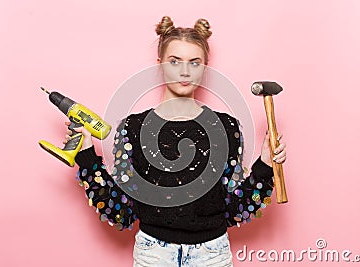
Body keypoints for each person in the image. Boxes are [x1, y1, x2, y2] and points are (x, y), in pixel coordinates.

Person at [64, 16, 287, 267]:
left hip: (212, 256)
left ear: (205, 67)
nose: (184, 71)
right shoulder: (133, 129)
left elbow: (235, 208)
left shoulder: (225, 128)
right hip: (154, 256)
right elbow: (121, 212)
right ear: (159, 65)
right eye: (175, 61)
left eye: (194, 62)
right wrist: (86, 157)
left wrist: (266, 165)